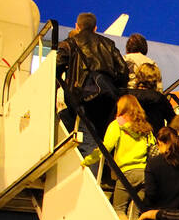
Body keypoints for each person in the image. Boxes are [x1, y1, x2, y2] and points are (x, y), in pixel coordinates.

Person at [55, 12, 129, 148]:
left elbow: (55, 67)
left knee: (86, 139)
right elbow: (124, 71)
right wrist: (112, 87)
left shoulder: (70, 43)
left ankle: (91, 166)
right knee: (101, 138)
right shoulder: (108, 44)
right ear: (95, 28)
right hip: (106, 98)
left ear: (77, 26)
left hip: (81, 98)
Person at [85, 95, 153, 220]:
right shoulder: (146, 128)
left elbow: (105, 147)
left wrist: (87, 160)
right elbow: (153, 148)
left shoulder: (117, 125)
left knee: (119, 209)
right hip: (145, 174)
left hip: (126, 173)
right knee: (135, 216)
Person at [127, 61, 176, 133]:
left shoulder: (128, 96)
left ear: (138, 76)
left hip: (131, 137)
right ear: (155, 79)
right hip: (155, 139)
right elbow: (173, 121)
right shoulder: (160, 98)